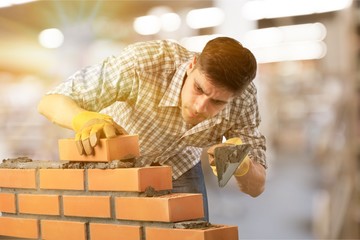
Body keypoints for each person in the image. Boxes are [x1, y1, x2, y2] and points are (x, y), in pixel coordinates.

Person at [37, 36, 267, 221]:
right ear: (191, 65)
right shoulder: (145, 63)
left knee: (190, 233)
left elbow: (257, 187)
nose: (200, 107)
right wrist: (83, 119)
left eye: (217, 102)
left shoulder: (243, 101)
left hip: (179, 163)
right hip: (117, 161)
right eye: (198, 89)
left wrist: (242, 165)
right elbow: (50, 101)